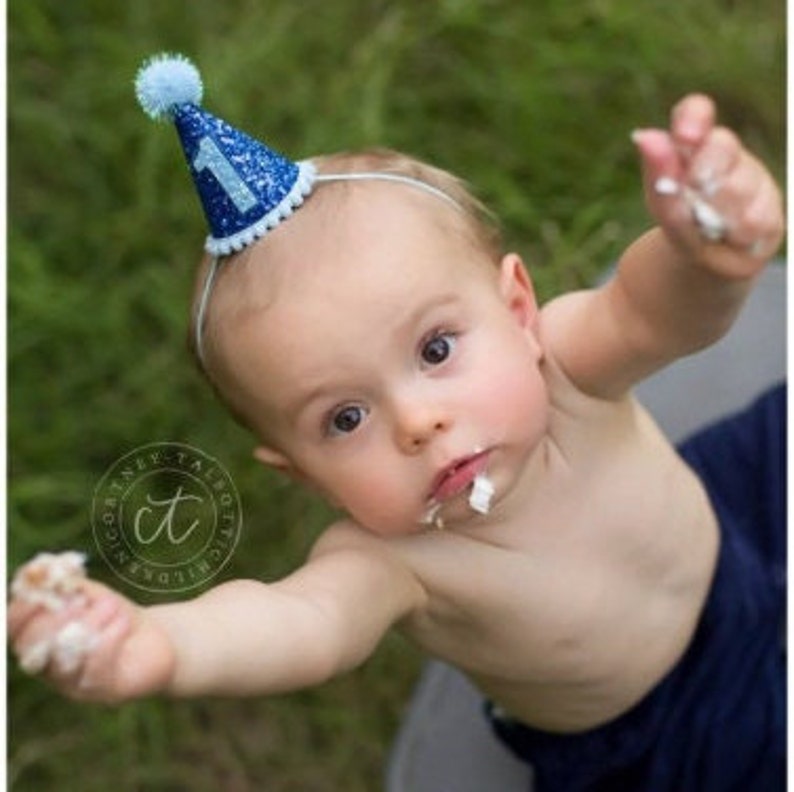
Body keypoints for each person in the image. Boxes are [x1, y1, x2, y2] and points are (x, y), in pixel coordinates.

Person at [9, 54, 785, 790]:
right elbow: (296, 623)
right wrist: (163, 646)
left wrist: (705, 253)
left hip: (727, 529)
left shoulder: (562, 369)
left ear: (517, 312)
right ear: (305, 475)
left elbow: (652, 315)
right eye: (345, 418)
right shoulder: (392, 562)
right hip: (670, 722)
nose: (417, 420)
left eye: (435, 348)